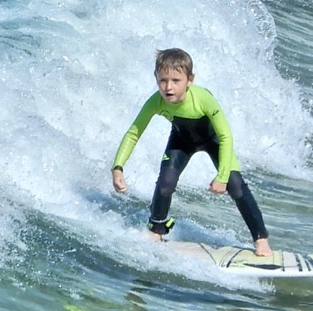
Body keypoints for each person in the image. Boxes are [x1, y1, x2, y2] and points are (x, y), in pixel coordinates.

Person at [112, 48, 272, 257]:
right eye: (163, 80)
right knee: (165, 183)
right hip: (182, 140)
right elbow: (134, 133)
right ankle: (156, 230)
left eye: (176, 80)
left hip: (214, 141)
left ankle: (260, 238)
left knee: (236, 186)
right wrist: (117, 167)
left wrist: (222, 177)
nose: (168, 87)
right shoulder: (155, 102)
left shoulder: (203, 99)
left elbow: (225, 137)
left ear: (190, 80)